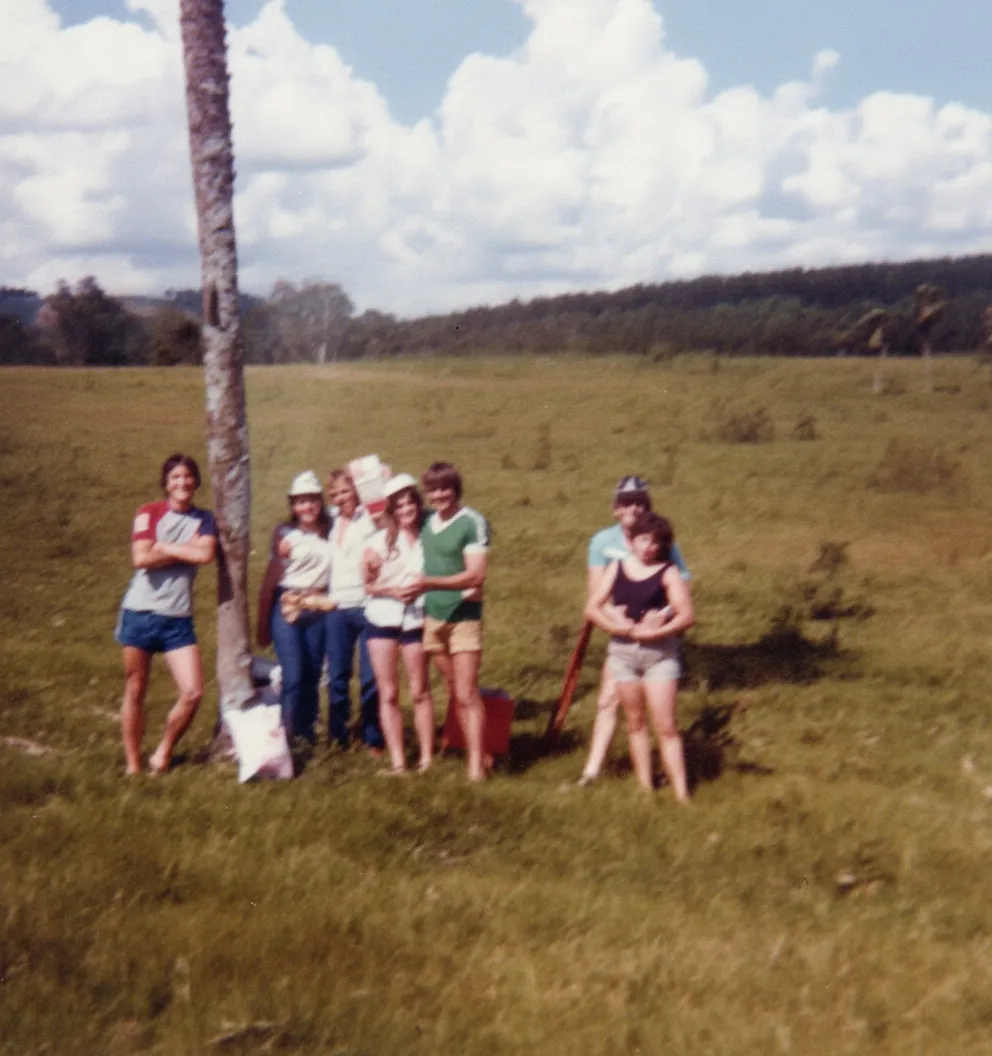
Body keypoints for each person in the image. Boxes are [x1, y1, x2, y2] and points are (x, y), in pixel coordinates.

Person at [578, 475, 691, 785]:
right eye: (627, 502)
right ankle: (592, 770)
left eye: (640, 502)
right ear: (616, 508)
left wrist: (662, 616)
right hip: (620, 632)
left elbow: (680, 585)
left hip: (655, 637)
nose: (634, 508)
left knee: (655, 714)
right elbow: (596, 592)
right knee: (608, 698)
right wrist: (617, 619)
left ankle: (663, 774)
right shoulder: (602, 542)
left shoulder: (660, 540)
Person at [115, 453, 217, 774]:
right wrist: (184, 550)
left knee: (193, 692)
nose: (182, 482)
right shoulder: (149, 512)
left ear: (196, 482)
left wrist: (166, 548)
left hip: (177, 618)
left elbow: (205, 554)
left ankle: (163, 751)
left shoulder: (205, 519)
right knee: (135, 689)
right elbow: (141, 558)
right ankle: (133, 764)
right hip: (140, 612)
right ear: (166, 483)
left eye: (187, 476)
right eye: (175, 477)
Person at [401, 462, 490, 782]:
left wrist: (429, 583)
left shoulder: (472, 522)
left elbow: (476, 574)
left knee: (466, 692)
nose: (439, 495)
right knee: (454, 688)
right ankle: (478, 750)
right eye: (433, 490)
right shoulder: (427, 523)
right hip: (433, 618)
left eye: (445, 489)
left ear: (456, 489)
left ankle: (476, 768)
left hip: (463, 618)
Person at [362, 473, 435, 774]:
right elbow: (367, 585)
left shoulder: (429, 537)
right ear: (390, 511)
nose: (406, 510)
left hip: (416, 617)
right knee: (389, 693)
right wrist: (390, 590)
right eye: (400, 506)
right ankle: (398, 761)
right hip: (382, 618)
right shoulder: (377, 542)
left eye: (410, 504)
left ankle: (427, 760)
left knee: (420, 690)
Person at [264, 471, 333, 745]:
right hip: (288, 604)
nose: (307, 507)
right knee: (292, 674)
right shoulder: (285, 534)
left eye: (312, 500)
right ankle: (284, 735)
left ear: (320, 502)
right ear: (293, 506)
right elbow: (271, 578)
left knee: (313, 673)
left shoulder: (332, 529)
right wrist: (262, 621)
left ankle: (306, 734)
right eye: (300, 501)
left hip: (319, 605)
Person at [325, 467, 384, 754]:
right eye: (334, 493)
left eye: (345, 491)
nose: (339, 498)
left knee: (371, 678)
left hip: (368, 606)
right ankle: (338, 736)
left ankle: (373, 737)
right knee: (337, 676)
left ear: (357, 491)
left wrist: (373, 475)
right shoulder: (329, 520)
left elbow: (383, 481)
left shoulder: (371, 519)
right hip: (336, 608)